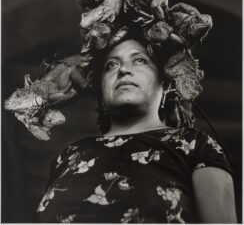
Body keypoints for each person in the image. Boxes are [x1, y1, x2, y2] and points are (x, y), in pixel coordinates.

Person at [36, 31, 237, 223]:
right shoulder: (70, 154)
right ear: (101, 92)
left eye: (139, 60)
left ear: (165, 84)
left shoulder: (195, 145)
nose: (123, 70)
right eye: (111, 65)